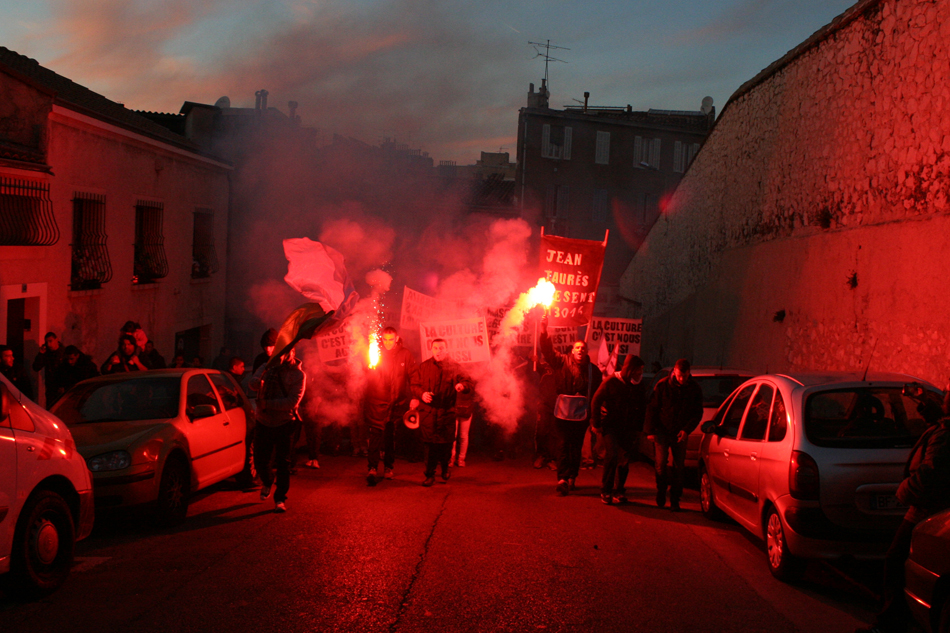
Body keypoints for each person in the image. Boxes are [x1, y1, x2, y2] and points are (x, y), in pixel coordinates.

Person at [856, 383, 950, 633]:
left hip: (927, 510)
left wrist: (903, 491)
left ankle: (891, 624)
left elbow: (929, 475)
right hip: (934, 509)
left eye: (948, 393)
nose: (945, 396)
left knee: (897, 562)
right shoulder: (944, 426)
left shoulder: (945, 435)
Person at [539, 317, 602, 496]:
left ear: (587, 351)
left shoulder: (594, 371)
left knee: (575, 446)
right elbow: (548, 351)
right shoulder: (562, 361)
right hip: (562, 413)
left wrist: (595, 417)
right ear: (572, 350)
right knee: (562, 445)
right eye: (577, 348)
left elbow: (597, 395)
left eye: (583, 348)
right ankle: (562, 479)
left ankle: (572, 476)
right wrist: (544, 331)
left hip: (581, 416)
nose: (580, 351)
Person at [644, 358, 703, 511]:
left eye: (684, 376)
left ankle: (675, 499)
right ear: (675, 372)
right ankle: (661, 491)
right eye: (679, 376)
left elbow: (697, 413)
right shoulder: (663, 386)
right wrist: (650, 431)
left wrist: (686, 430)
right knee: (661, 465)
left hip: (680, 433)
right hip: (662, 431)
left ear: (689, 373)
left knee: (679, 467)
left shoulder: (694, 388)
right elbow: (652, 408)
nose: (681, 379)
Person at [252, 347, 306, 513]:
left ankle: (280, 498)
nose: (280, 356)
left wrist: (267, 404)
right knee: (261, 460)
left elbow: (292, 402)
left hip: (285, 422)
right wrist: (260, 375)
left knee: (283, 463)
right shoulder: (267, 368)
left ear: (291, 353)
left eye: (284, 352)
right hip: (263, 421)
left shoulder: (298, 375)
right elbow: (253, 383)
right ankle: (268, 481)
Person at [410, 339, 471, 486]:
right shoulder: (424, 366)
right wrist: (421, 394)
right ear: (431, 350)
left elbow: (468, 381)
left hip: (447, 412)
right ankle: (430, 475)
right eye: (435, 348)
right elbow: (415, 385)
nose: (439, 351)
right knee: (429, 447)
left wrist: (462, 386)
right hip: (429, 413)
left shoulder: (455, 367)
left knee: (446, 445)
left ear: (447, 349)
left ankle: (445, 468)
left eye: (441, 348)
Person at [591, 355, 647, 505]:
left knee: (624, 459)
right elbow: (596, 400)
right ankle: (606, 490)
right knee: (612, 454)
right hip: (610, 426)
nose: (640, 374)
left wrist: (640, 428)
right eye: (638, 370)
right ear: (630, 370)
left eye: (641, 371)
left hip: (628, 427)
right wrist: (596, 423)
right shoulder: (611, 382)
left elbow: (642, 407)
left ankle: (619, 490)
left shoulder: (638, 385)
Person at [364, 326, 417, 486]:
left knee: (390, 437)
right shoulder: (376, 353)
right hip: (377, 402)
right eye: (385, 339)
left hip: (396, 403)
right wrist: (369, 371)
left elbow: (413, 375)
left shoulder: (405, 354)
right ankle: (372, 468)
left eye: (391, 339)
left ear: (396, 338)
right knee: (375, 436)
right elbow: (366, 378)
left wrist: (415, 396)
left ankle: (388, 467)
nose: (387, 343)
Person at [32, 331, 64, 407]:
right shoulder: (47, 353)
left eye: (50, 341)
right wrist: (41, 354)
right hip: (51, 388)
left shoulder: (63, 353)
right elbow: (36, 367)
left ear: (56, 340)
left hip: (62, 388)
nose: (49, 344)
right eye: (47, 342)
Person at [451, 375, 475, 467]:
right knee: (457, 435)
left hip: (464, 409)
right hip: (460, 408)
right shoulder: (470, 376)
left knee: (460, 435)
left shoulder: (469, 376)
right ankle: (456, 458)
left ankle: (457, 458)